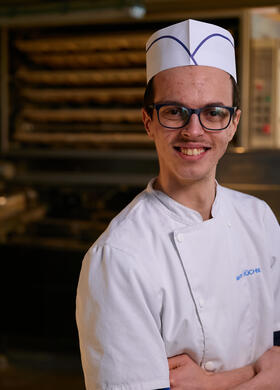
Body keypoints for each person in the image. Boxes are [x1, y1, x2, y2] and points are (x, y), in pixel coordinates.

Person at [76, 19, 280, 390]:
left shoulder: (260, 220)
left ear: (233, 122)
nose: (194, 131)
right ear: (148, 120)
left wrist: (208, 383)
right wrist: (263, 375)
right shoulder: (119, 257)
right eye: (174, 111)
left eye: (214, 112)